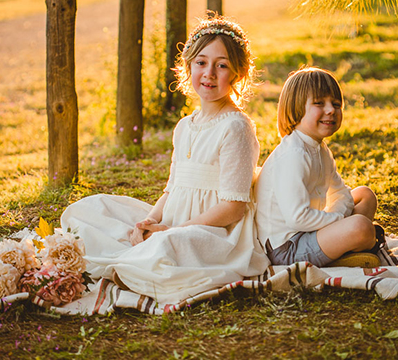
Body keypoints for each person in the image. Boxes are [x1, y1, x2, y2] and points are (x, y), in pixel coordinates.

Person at [60, 17, 268, 304]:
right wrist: (150, 220)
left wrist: (172, 231)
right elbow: (172, 189)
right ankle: (142, 253)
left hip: (213, 232)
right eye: (201, 62)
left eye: (221, 65)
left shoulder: (235, 127)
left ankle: (140, 265)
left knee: (166, 245)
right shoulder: (185, 126)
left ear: (237, 73)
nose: (209, 73)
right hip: (172, 221)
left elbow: (233, 208)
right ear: (189, 66)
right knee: (93, 208)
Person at [255, 67, 382, 269]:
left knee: (365, 195)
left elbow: (341, 192)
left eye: (336, 104)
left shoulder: (319, 148)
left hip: (309, 231)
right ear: (296, 109)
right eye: (319, 103)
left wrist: (339, 217)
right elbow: (298, 218)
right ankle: (347, 248)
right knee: (361, 227)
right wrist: (339, 220)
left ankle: (345, 248)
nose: (331, 110)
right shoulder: (293, 155)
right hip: (287, 247)